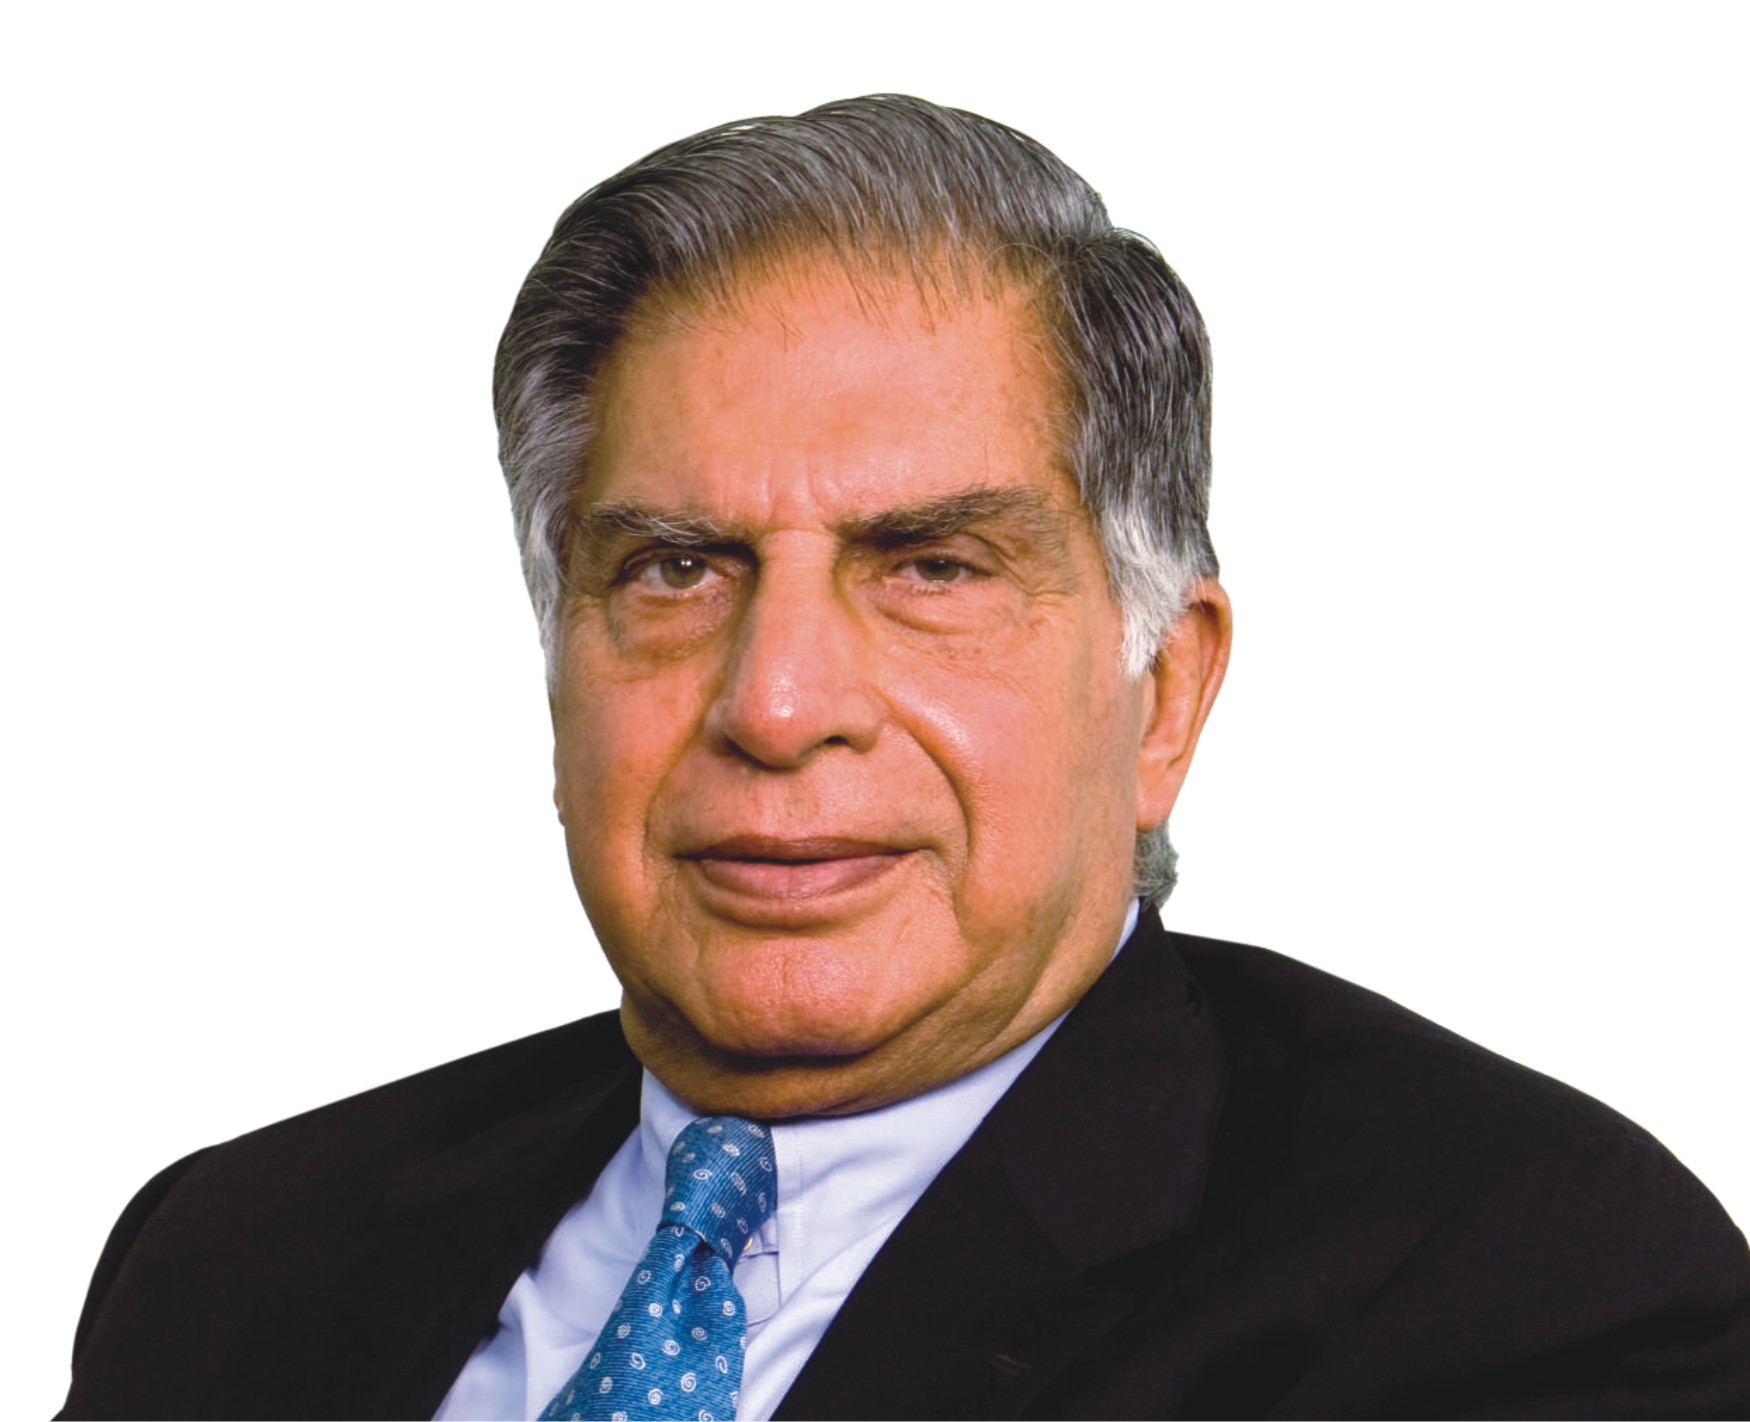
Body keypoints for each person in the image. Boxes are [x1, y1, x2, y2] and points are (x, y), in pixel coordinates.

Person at [59, 94, 1750, 1421]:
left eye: (931, 567)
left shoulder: (1522, 1282)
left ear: (1161, 692)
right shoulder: (233, 1255)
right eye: (675, 568)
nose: (778, 702)